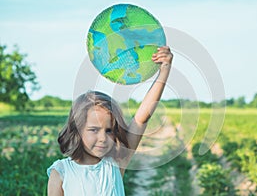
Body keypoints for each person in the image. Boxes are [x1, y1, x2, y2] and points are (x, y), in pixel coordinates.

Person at [47, 46, 173, 195]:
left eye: (109, 130)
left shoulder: (116, 162)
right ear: (77, 130)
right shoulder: (61, 172)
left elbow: (141, 118)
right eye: (94, 130)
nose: (103, 138)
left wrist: (164, 71)